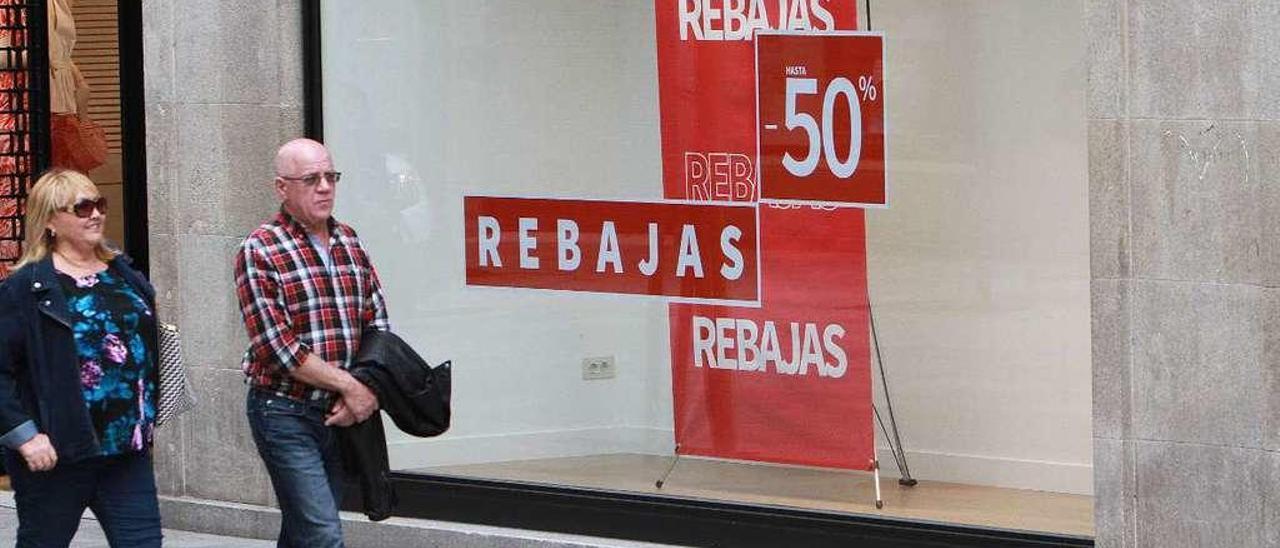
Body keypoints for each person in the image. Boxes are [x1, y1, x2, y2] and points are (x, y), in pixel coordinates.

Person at [235, 138, 390, 547]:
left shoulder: (350, 241)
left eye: (330, 177)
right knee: (322, 533)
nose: (325, 187)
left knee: (304, 532)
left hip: (339, 416)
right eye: (311, 179)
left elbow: (377, 324)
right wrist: (350, 386)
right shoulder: (260, 248)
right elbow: (277, 348)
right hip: (284, 411)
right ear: (282, 188)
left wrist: (363, 387)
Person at [0, 169, 162, 547]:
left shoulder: (122, 272)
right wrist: (25, 437)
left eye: (99, 204)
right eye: (82, 206)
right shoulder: (25, 288)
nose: (96, 214)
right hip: (58, 451)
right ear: (51, 221)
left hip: (126, 448)